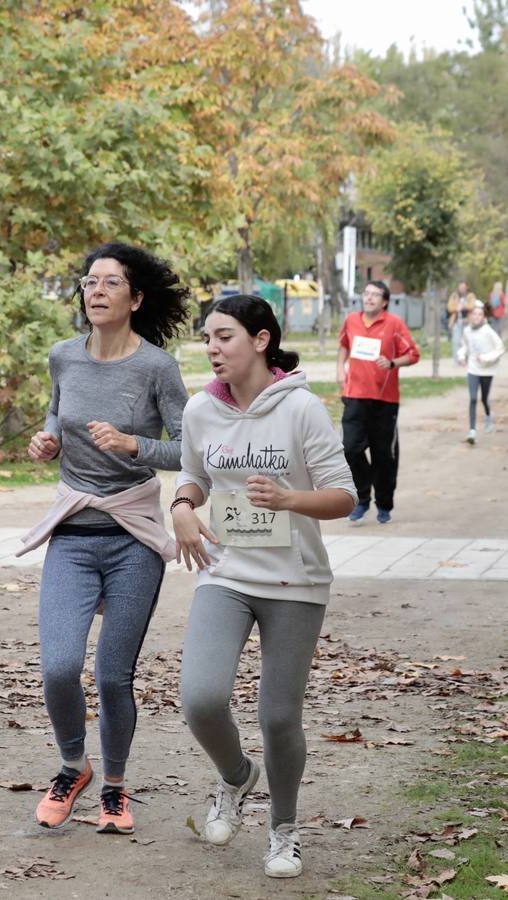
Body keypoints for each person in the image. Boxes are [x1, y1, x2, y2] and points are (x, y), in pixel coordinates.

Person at [171, 295, 356, 879]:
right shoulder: (201, 409)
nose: (212, 348)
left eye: (224, 336)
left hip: (294, 581)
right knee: (200, 699)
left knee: (279, 718)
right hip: (225, 573)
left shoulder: (302, 409)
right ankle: (235, 777)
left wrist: (288, 498)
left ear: (261, 340)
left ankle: (284, 829)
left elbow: (344, 496)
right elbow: (194, 474)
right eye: (207, 338)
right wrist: (181, 505)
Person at [18, 242, 190, 835]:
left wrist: (134, 445)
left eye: (110, 282)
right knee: (60, 668)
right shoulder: (63, 356)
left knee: (114, 675)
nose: (95, 290)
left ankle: (115, 785)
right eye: (89, 281)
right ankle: (74, 766)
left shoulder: (156, 368)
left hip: (132, 536)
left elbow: (192, 449)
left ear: (136, 299)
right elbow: (55, 412)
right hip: (72, 530)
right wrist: (48, 440)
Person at [336, 280, 420, 524]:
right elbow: (343, 345)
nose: (369, 298)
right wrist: (340, 369)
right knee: (350, 448)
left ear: (384, 301)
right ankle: (361, 499)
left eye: (375, 295)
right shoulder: (351, 320)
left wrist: (393, 363)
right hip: (354, 396)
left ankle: (384, 504)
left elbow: (413, 354)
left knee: (383, 455)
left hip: (385, 400)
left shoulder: (394, 324)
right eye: (367, 293)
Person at [456, 303, 505, 444]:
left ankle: (488, 415)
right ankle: (472, 431)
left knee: (484, 398)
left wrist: (486, 358)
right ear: (471, 316)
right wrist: (461, 357)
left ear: (484, 317)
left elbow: (500, 348)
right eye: (474, 314)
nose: (476, 317)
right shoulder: (467, 331)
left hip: (487, 369)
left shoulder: (488, 331)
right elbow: (465, 346)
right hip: (473, 368)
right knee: (472, 398)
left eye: (480, 314)